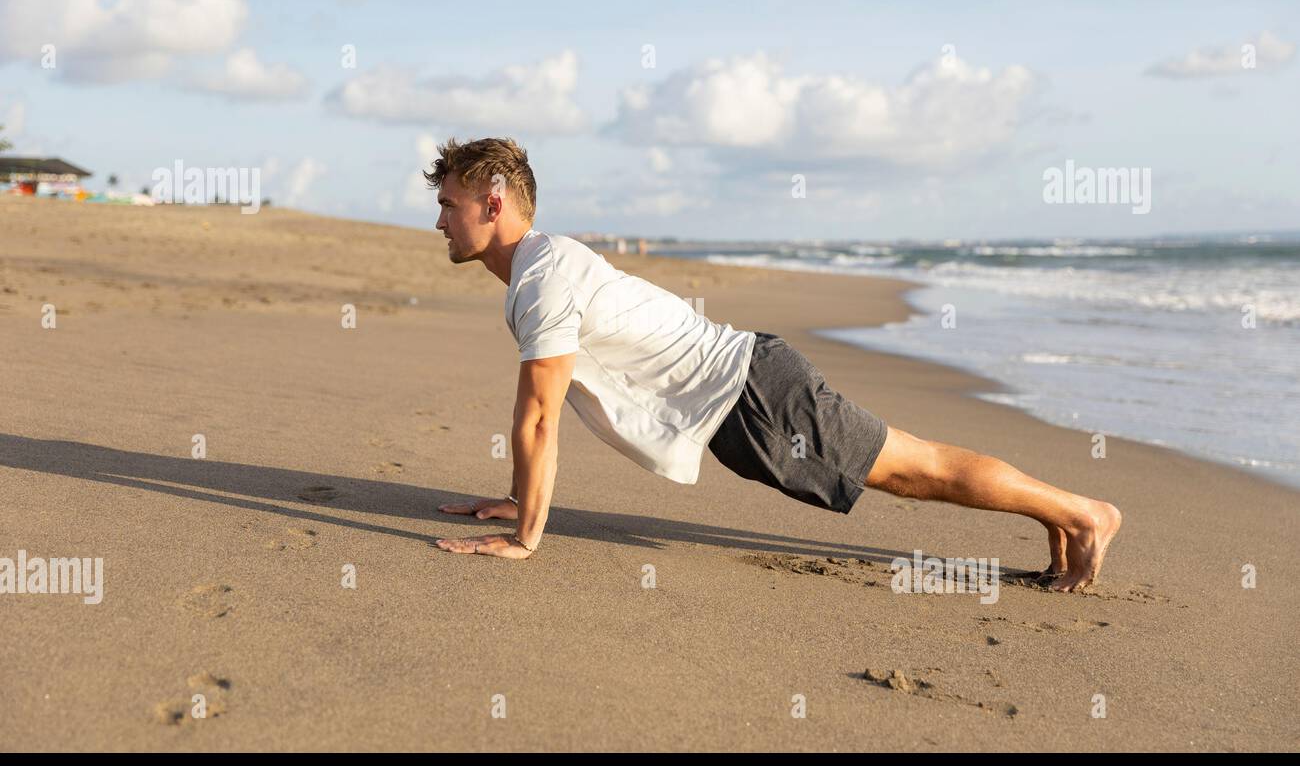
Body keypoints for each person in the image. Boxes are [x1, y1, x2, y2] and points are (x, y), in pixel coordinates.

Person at [431, 138, 1121, 592]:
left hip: (757, 396)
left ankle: (1082, 512)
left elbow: (540, 417)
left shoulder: (543, 278)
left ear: (493, 204)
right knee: (913, 468)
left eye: (449, 206)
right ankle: (1063, 516)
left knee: (916, 471)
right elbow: (541, 415)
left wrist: (526, 538)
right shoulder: (542, 268)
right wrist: (522, 498)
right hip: (742, 399)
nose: (439, 223)